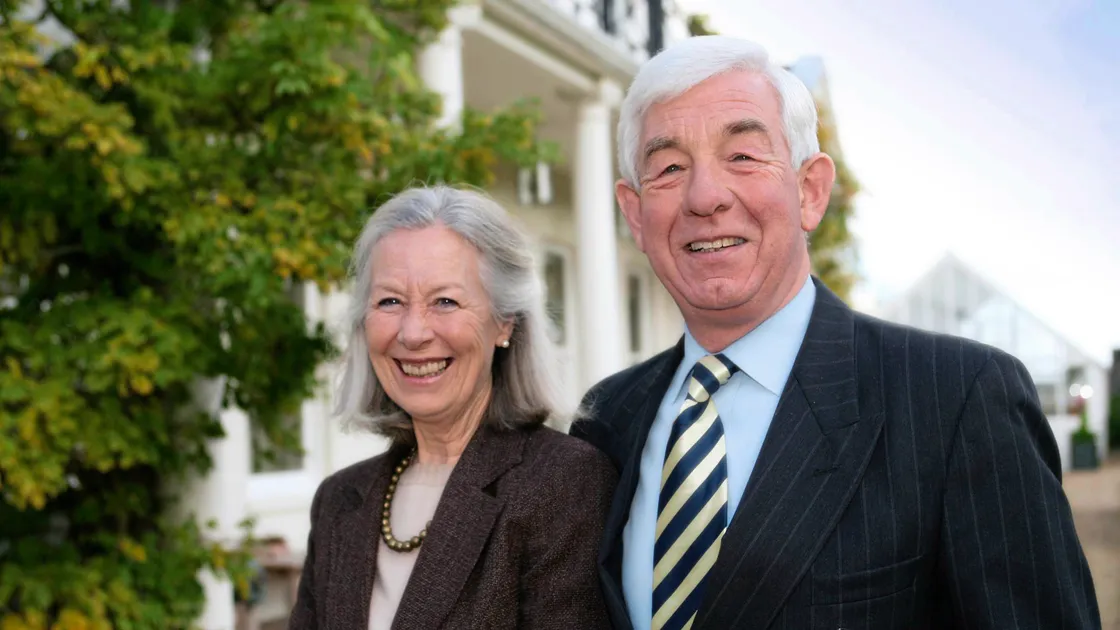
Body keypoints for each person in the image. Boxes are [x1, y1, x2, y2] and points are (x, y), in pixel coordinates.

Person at [570, 35, 1100, 630]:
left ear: (810, 191)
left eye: (743, 156)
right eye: (668, 168)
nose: (706, 197)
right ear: (636, 214)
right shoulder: (606, 421)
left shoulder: (956, 400)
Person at [288, 186, 616, 630]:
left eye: (445, 301)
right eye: (390, 301)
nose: (413, 332)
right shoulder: (339, 499)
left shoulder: (562, 482)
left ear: (504, 322)